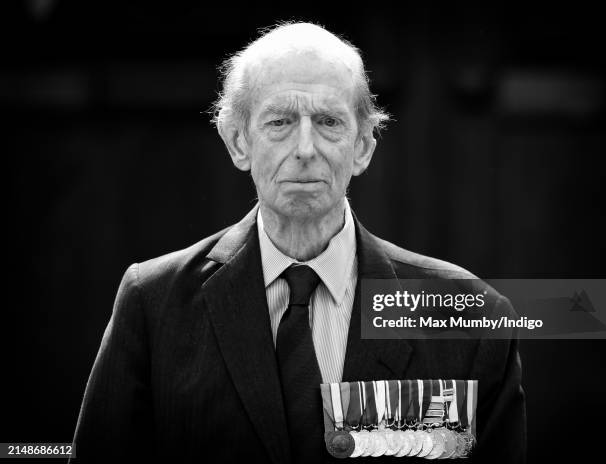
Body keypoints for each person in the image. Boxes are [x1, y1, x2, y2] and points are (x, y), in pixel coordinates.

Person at [71, 22, 525, 463]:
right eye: (280, 121)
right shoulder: (154, 304)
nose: (305, 147)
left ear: (363, 146)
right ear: (237, 142)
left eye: (328, 121)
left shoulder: (470, 316)